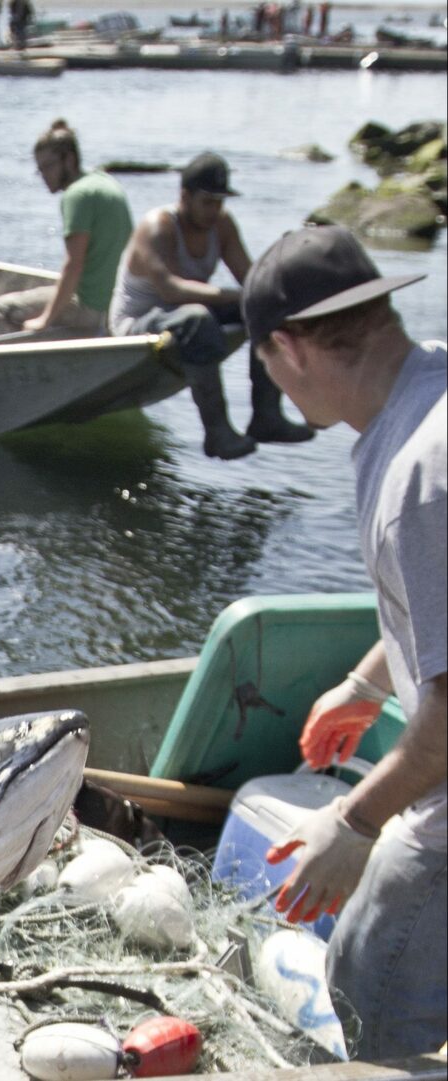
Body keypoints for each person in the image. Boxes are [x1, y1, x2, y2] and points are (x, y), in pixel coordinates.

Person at [243, 225, 445, 1059]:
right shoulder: (426, 388)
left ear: (287, 348)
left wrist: (355, 822)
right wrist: (367, 683)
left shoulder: (418, 480)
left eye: (263, 368)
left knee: (368, 989)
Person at [108, 152, 314, 459]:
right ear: (184, 197)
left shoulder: (222, 225)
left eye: (220, 202)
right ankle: (217, 434)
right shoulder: (158, 227)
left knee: (265, 310)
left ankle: (266, 417)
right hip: (136, 323)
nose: (214, 210)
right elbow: (171, 289)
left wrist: (284, 288)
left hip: (186, 313)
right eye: (207, 202)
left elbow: (250, 279)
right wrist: (233, 296)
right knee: (197, 318)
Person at [0, 120, 133, 338]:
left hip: (91, 308)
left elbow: (73, 264)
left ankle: (6, 370)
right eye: (40, 169)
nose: (44, 175)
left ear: (69, 160)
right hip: (118, 303)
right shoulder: (105, 183)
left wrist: (45, 320)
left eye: (48, 166)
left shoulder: (77, 195)